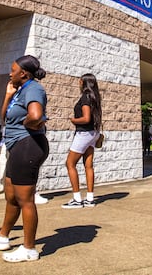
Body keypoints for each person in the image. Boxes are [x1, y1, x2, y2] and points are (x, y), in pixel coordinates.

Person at [0, 55, 48, 263]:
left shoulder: (34, 89)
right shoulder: (20, 90)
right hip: (18, 147)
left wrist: (28, 124)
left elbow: (36, 116)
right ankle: (2, 238)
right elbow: (4, 118)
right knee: (11, 196)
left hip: (28, 146)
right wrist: (8, 96)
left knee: (25, 200)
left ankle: (29, 248)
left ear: (24, 74)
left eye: (13, 70)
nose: (10, 73)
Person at [62, 73, 103, 209]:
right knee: (88, 165)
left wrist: (73, 120)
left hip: (84, 133)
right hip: (93, 133)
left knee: (70, 163)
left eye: (79, 81)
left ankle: (77, 199)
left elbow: (86, 118)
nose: (78, 83)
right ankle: (90, 198)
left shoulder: (85, 97)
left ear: (83, 82)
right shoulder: (95, 97)